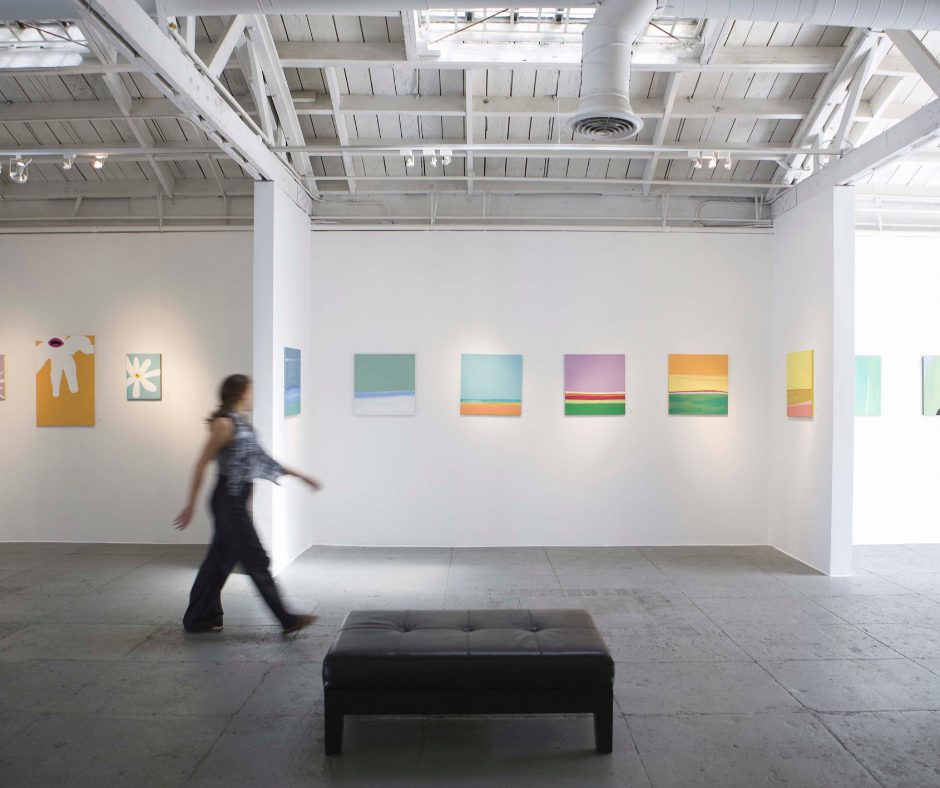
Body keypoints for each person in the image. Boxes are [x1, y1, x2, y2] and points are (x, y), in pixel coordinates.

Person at [174, 374, 321, 634]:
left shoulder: (242, 423)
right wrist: (190, 504)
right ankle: (286, 619)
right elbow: (201, 463)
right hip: (227, 502)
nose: (253, 396)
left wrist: (301, 476)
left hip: (236, 502)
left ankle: (200, 618)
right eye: (250, 391)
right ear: (240, 393)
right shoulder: (224, 424)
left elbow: (264, 459)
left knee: (218, 563)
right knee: (256, 559)